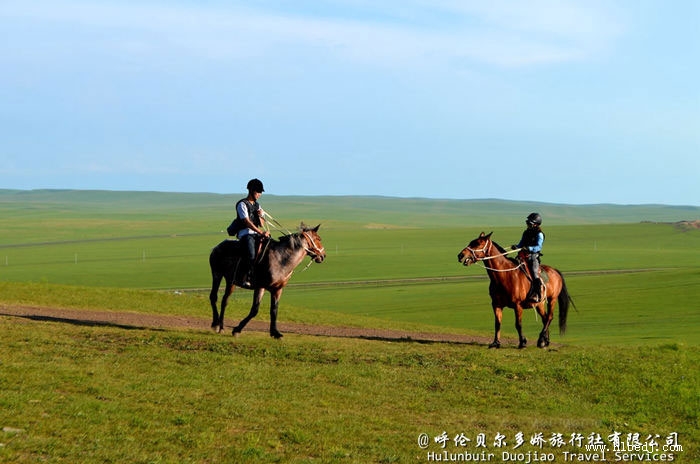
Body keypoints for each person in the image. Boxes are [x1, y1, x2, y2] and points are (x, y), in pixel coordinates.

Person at [236, 179, 270, 288]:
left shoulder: (257, 205)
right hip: (245, 234)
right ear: (251, 191)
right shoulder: (242, 204)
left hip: (256, 234)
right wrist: (260, 232)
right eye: (258, 192)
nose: (259, 194)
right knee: (251, 254)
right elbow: (246, 222)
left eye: (260, 192)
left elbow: (261, 223)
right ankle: (246, 277)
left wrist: (261, 216)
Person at [512, 212, 545, 302]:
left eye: (529, 223)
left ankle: (537, 294)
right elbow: (521, 243)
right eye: (527, 222)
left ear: (535, 224)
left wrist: (529, 248)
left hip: (533, 257)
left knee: (534, 273)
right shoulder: (526, 232)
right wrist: (516, 247)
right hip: (522, 256)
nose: (527, 224)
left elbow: (538, 247)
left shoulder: (539, 234)